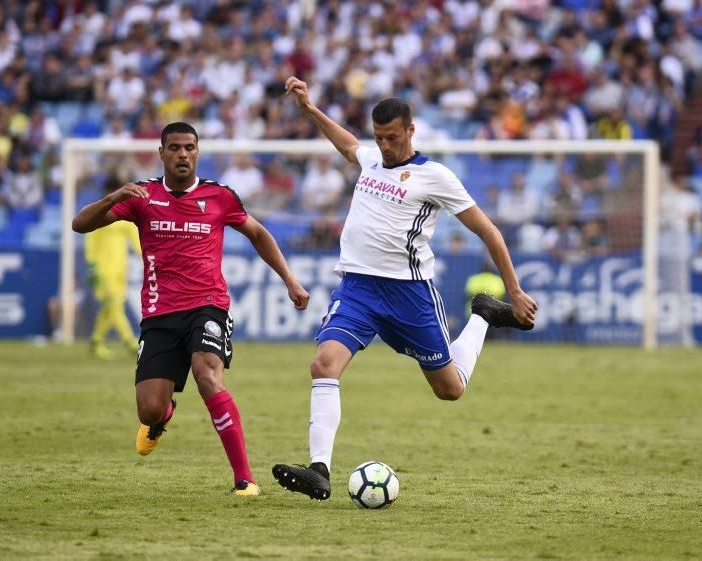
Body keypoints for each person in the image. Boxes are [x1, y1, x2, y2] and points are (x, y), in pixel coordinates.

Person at [272, 77, 538, 500]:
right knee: (324, 365)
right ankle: (319, 470)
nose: (384, 146)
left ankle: (484, 314)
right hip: (358, 289)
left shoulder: (435, 176)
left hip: (408, 296)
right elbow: (347, 145)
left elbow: (489, 231)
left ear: (411, 131)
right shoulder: (372, 161)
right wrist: (309, 109)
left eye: (392, 138)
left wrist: (515, 290)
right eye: (378, 138)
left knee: (449, 389)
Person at [72, 122, 310, 496]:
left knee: (207, 374)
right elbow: (79, 224)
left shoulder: (220, 197)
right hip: (159, 314)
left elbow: (259, 234)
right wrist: (113, 197)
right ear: (162, 153)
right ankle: (163, 415)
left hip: (208, 306)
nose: (183, 154)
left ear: (198, 152)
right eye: (175, 148)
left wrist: (290, 280)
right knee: (148, 410)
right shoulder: (141, 196)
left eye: (189, 148)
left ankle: (244, 479)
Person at [85, 175, 142, 359]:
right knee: (114, 305)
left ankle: (96, 341)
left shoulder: (125, 214)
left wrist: (152, 256)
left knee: (110, 307)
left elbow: (137, 240)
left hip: (120, 269)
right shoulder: (99, 211)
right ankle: (130, 341)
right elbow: (90, 239)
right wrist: (92, 264)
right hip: (103, 268)